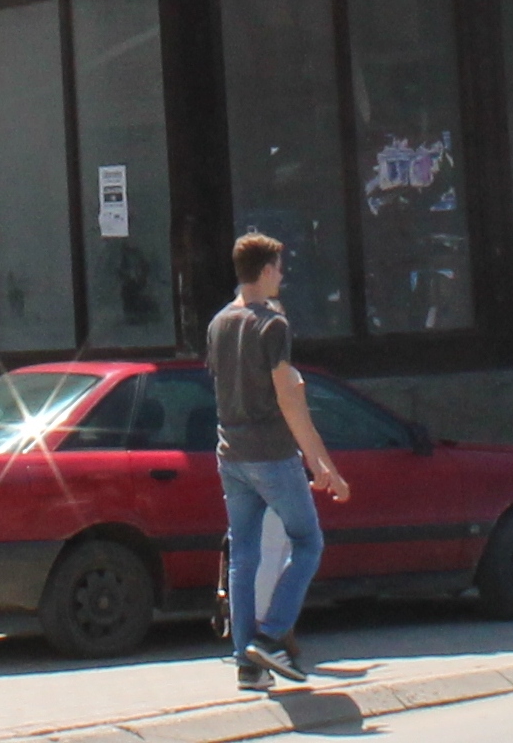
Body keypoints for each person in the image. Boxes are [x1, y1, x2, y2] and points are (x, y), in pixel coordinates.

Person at [209, 232, 349, 689]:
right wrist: (320, 462)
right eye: (280, 268)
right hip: (272, 453)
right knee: (307, 542)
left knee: (243, 556)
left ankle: (247, 665)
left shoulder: (218, 324)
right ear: (266, 271)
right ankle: (269, 640)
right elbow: (290, 399)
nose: (283, 276)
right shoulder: (273, 325)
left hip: (230, 454)